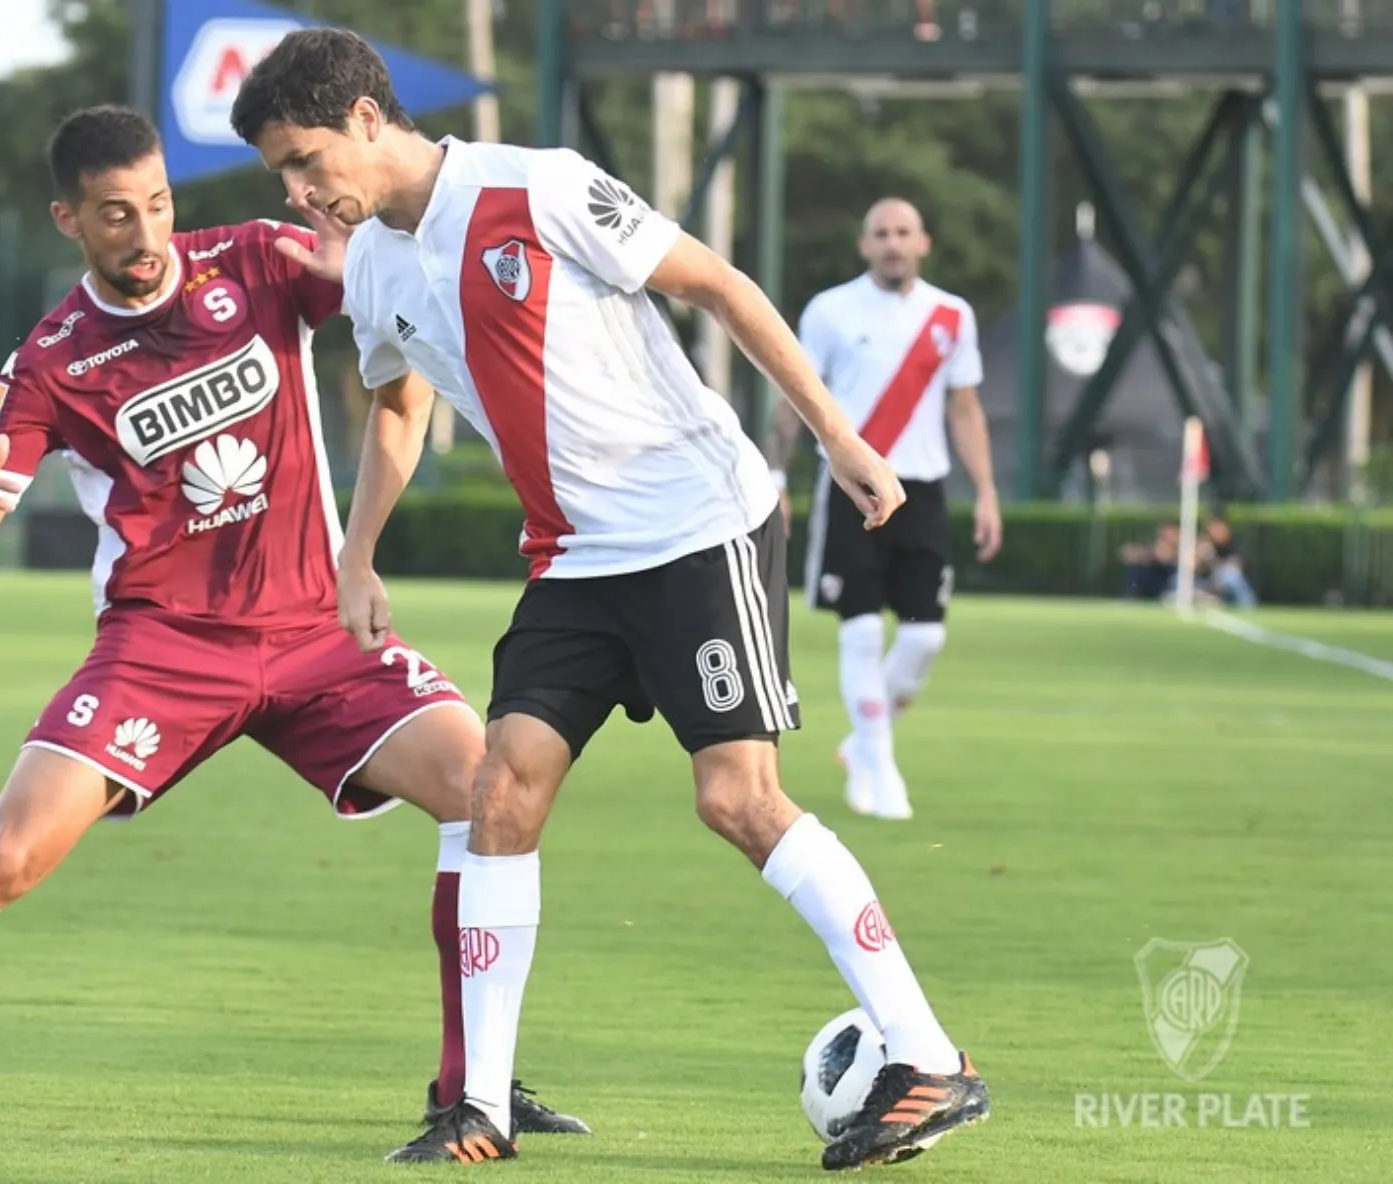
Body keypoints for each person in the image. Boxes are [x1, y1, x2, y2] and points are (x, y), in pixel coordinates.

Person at [0, 104, 589, 1148]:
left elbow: (391, 292)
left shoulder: (260, 261)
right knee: (2, 857)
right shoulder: (52, 358)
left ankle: (474, 1084)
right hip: (163, 650)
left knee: (486, 788)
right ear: (67, 220)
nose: (143, 237)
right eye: (112, 216)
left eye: (156, 206)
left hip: (319, 632)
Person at [231, 29, 990, 1172]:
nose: (298, 191)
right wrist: (356, 553)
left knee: (737, 798)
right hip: (574, 558)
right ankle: (477, 1106)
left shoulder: (534, 186)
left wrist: (841, 438)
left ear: (367, 120)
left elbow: (720, 286)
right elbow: (398, 411)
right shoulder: (374, 264)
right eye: (280, 175)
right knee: (503, 788)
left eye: (302, 160)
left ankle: (928, 1055)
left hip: (697, 526)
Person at [768, 198, 1002, 821]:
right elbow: (794, 397)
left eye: (903, 233)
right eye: (881, 234)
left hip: (922, 489)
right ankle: (879, 764)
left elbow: (964, 408)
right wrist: (774, 476)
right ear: (864, 245)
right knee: (864, 628)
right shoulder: (830, 310)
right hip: (852, 486)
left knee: (925, 637)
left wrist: (986, 491)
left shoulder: (952, 315)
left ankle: (864, 743)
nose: (893, 243)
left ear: (923, 242)